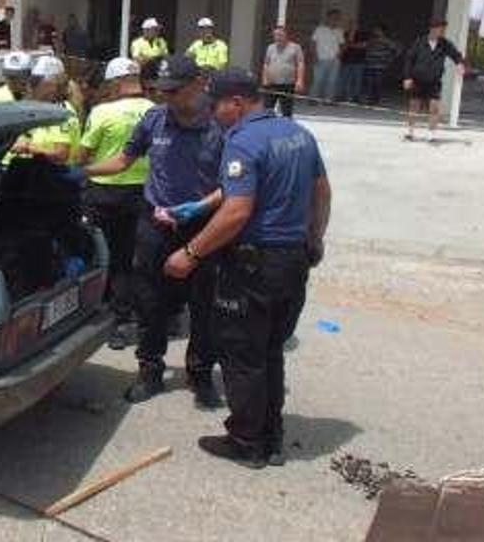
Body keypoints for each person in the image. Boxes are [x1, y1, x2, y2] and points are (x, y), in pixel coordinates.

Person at [164, 68, 331, 469]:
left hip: (254, 265)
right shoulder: (296, 133)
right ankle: (271, 437)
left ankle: (246, 441)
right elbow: (321, 190)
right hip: (293, 260)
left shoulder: (241, 140)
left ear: (236, 103)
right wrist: (315, 237)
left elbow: (237, 211)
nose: (213, 114)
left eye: (216, 106)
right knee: (272, 351)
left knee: (243, 355)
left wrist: (190, 252)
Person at [83, 56, 223, 409]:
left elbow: (234, 185)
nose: (167, 98)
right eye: (162, 91)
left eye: (174, 90)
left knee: (204, 303)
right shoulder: (154, 118)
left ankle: (201, 373)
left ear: (198, 83)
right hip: (155, 221)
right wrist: (82, 170)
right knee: (149, 298)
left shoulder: (220, 123)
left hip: (203, 223)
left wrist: (199, 207)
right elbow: (123, 160)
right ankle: (150, 370)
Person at [75, 57, 154, 350]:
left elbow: (83, 156)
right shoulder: (155, 111)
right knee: (136, 256)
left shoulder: (102, 112)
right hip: (146, 193)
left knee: (107, 255)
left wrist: (77, 170)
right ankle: (137, 315)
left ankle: (113, 318)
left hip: (106, 193)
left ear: (114, 83)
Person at [402, 18, 466, 142]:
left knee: (434, 108)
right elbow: (409, 60)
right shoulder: (419, 42)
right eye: (440, 29)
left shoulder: (445, 43)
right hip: (417, 80)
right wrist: (407, 77)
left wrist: (460, 64)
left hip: (434, 82)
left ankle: (432, 135)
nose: (442, 32)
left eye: (443, 30)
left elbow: (456, 55)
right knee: (414, 106)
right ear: (432, 29)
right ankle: (410, 132)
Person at [7, 55, 79, 165]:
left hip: (56, 177)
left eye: (35, 82)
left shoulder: (59, 113)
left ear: (52, 85)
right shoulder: (46, 110)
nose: (29, 87)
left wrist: (28, 148)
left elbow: (61, 155)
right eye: (29, 82)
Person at [261, 26, 306, 117]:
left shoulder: (295, 47)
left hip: (287, 83)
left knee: (286, 111)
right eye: (275, 35)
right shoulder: (270, 47)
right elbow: (266, 64)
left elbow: (300, 64)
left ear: (286, 35)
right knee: (267, 110)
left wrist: (299, 80)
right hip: (271, 83)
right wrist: (265, 78)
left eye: (280, 35)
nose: (277, 37)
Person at [309, 9, 345, 102]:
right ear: (328, 18)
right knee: (318, 80)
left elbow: (342, 44)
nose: (336, 19)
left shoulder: (339, 30)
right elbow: (313, 43)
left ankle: (328, 99)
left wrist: (340, 54)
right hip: (321, 59)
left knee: (332, 81)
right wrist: (314, 56)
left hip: (335, 60)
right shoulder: (319, 29)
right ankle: (313, 99)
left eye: (337, 18)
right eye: (334, 17)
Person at [362, 25, 401, 106]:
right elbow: (364, 47)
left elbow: (398, 50)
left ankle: (377, 100)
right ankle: (370, 99)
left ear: (382, 31)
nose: (375, 31)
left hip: (380, 66)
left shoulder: (387, 41)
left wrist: (390, 59)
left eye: (377, 30)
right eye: (375, 30)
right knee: (369, 83)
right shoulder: (371, 40)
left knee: (378, 83)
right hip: (370, 64)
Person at [131, 18, 170, 90]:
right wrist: (154, 58)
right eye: (154, 30)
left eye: (157, 30)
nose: (157, 32)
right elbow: (138, 59)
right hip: (144, 73)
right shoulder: (137, 43)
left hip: (159, 73)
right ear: (146, 30)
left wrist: (148, 57)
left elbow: (166, 57)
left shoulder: (161, 41)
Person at [340, 21, 368, 104]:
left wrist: (350, 45)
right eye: (351, 25)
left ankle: (356, 97)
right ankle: (345, 97)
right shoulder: (345, 34)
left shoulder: (363, 35)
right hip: (347, 61)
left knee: (357, 81)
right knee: (346, 80)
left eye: (355, 25)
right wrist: (351, 40)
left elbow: (363, 45)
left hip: (359, 61)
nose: (353, 26)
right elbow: (343, 45)